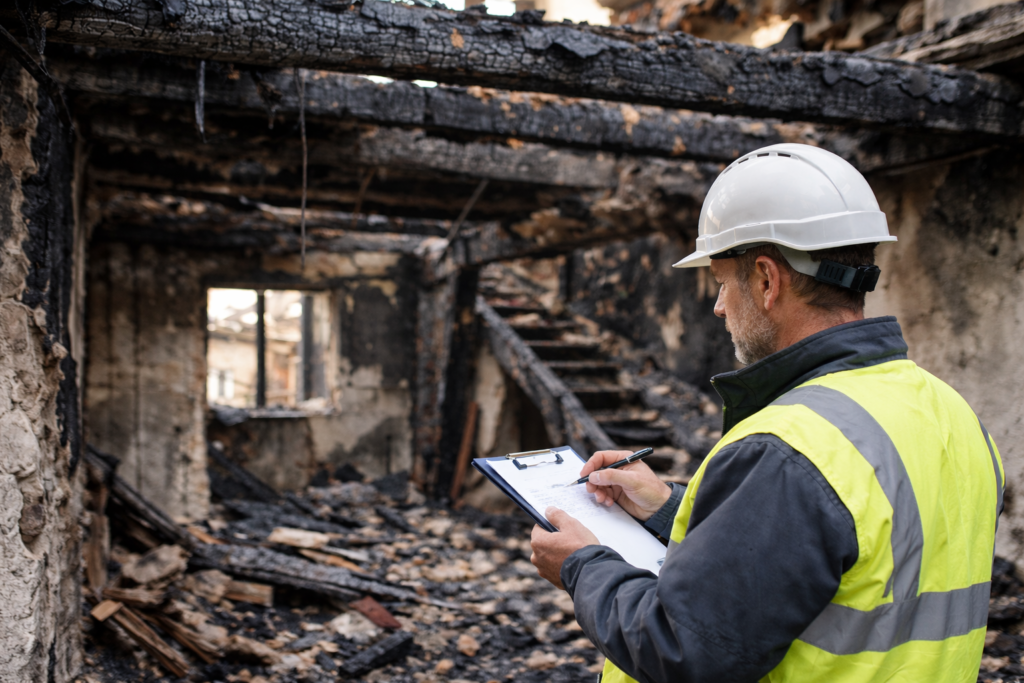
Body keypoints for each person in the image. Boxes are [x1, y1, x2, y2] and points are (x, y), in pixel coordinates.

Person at [529, 143, 1004, 683]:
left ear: (765, 279)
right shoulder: (950, 412)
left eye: (721, 283)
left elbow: (681, 648)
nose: (719, 306)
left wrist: (582, 565)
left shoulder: (787, 449)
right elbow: (848, 550)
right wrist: (666, 510)